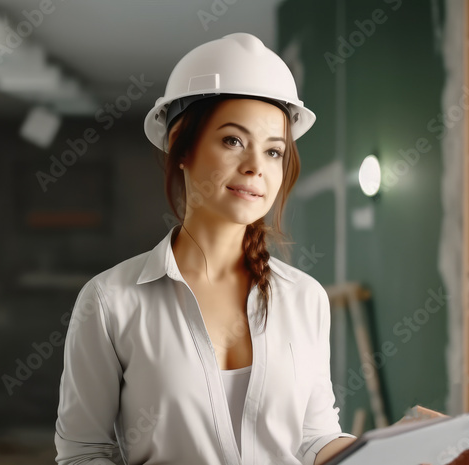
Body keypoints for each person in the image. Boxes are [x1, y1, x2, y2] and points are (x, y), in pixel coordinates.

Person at [53, 32, 378, 465]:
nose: (255, 167)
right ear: (181, 148)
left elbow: (315, 440)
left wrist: (403, 446)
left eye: (274, 151)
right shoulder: (110, 301)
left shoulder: (305, 298)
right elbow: (82, 452)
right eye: (232, 141)